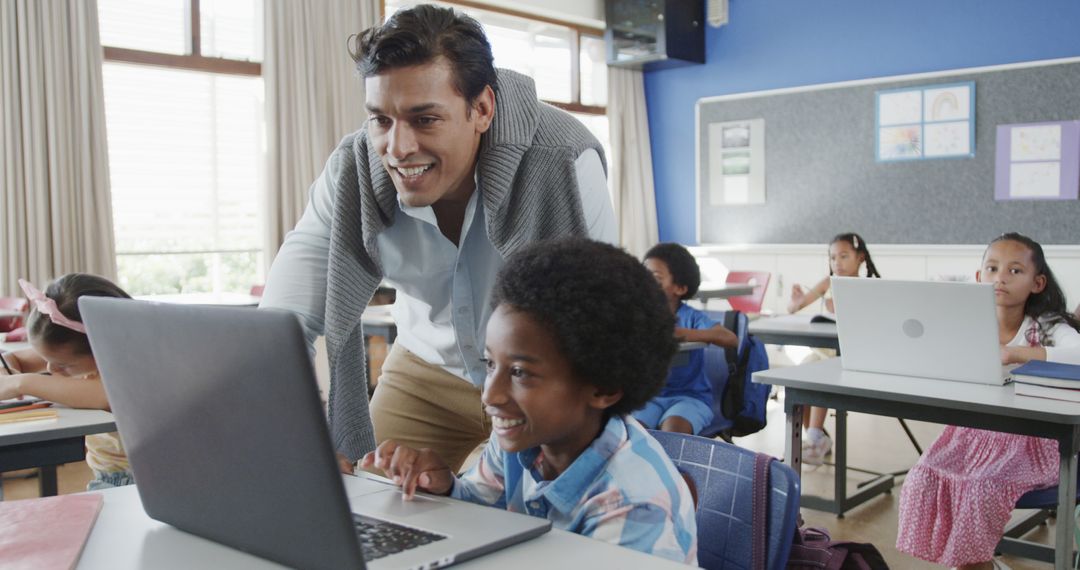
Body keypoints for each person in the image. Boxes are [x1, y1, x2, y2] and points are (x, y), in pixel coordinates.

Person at [259, 4, 616, 470]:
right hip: (424, 371)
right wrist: (295, 438)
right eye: (381, 120)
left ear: (482, 109)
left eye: (424, 119)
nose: (398, 148)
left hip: (539, 380)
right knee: (363, 500)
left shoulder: (563, 160)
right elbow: (281, 328)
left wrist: (478, 477)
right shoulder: (352, 171)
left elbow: (601, 328)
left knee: (502, 522)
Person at [361, 238, 697, 564]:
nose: (490, 395)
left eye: (520, 373)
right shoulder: (525, 439)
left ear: (603, 388)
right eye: (490, 364)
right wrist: (445, 486)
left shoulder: (634, 507)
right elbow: (481, 503)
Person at [896, 233, 1080, 569]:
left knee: (982, 487)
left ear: (1037, 283)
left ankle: (976, 563)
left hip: (1032, 440)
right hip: (974, 433)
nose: (1000, 278)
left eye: (1014, 271)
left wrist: (1017, 352)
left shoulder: (1047, 326)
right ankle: (976, 564)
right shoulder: (966, 323)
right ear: (979, 277)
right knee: (922, 476)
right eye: (992, 268)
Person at [0, 274, 134, 490]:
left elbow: (102, 395)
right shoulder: (75, 351)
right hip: (108, 475)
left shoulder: (129, 374)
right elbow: (14, 358)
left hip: (133, 483)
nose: (51, 369)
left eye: (64, 366)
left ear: (102, 348)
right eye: (46, 360)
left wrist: (20, 383)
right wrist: (6, 370)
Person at [787, 232, 881, 465]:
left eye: (844, 256)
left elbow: (871, 322)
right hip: (822, 350)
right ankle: (814, 438)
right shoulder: (828, 282)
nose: (836, 263)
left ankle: (815, 436)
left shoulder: (866, 286)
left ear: (860, 257)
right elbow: (794, 308)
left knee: (820, 374)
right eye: (832, 258)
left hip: (851, 355)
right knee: (799, 380)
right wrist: (796, 300)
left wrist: (840, 309)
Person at [633, 242, 737, 435]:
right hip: (650, 397)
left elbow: (729, 339)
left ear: (680, 288)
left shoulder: (691, 317)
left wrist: (681, 333)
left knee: (674, 430)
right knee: (634, 432)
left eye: (656, 278)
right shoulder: (639, 317)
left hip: (690, 398)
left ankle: (674, 466)